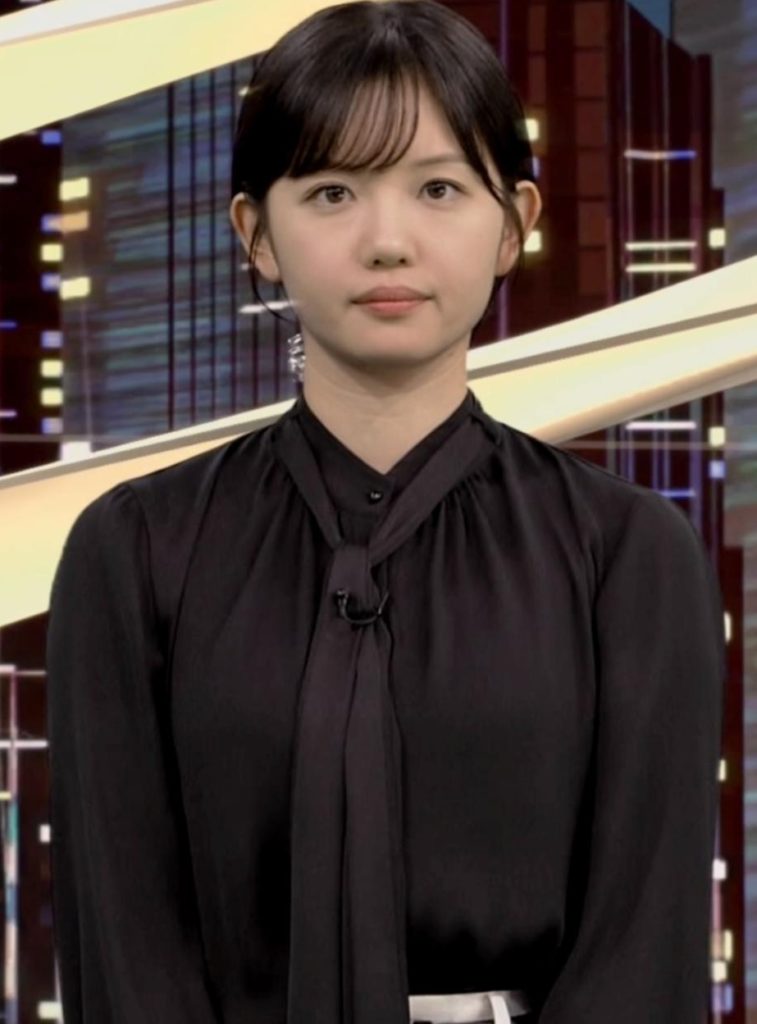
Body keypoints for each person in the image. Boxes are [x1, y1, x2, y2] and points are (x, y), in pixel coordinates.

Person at [45, 1, 726, 1022]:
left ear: (514, 224)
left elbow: (645, 948)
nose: (387, 241)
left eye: (438, 188)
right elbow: (122, 942)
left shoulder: (627, 556)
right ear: (255, 234)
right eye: (331, 192)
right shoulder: (135, 549)